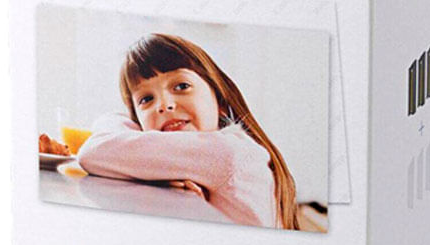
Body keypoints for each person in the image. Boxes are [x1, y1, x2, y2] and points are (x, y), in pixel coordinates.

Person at [77, 33, 300, 229]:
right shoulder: (202, 156)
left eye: (182, 86)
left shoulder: (226, 152)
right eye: (146, 99)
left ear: (220, 102)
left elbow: (94, 152)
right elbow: (111, 123)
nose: (164, 105)